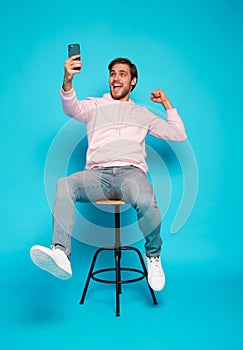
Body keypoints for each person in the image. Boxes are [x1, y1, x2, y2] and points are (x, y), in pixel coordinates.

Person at [30, 54, 187, 291]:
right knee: (65, 184)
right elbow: (71, 107)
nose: (115, 78)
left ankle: (153, 257)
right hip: (97, 176)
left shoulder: (143, 114)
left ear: (132, 82)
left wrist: (166, 103)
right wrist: (68, 80)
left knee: (147, 202)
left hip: (130, 174)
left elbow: (178, 135)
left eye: (122, 74)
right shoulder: (95, 105)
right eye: (112, 74)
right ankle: (60, 253)